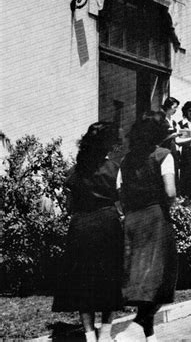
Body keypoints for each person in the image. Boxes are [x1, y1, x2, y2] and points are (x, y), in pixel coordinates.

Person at [52, 122, 123, 342]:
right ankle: (105, 334)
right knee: (110, 280)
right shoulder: (115, 168)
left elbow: (68, 205)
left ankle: (89, 335)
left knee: (83, 281)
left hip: (81, 227)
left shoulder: (74, 171)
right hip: (108, 225)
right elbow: (122, 200)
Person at [116, 115, 178, 342]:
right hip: (155, 217)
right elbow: (170, 192)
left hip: (133, 218)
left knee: (143, 277)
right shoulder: (164, 156)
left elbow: (120, 192)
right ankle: (134, 328)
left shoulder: (126, 160)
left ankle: (149, 335)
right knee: (162, 277)